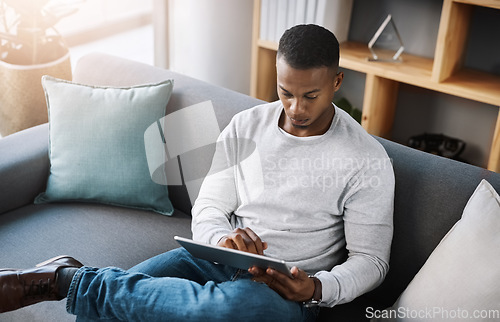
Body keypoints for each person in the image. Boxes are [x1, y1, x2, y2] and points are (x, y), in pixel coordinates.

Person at [0, 24, 394, 321]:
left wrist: (316, 288)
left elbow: (372, 261)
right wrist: (222, 239)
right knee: (112, 308)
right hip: (215, 260)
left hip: (285, 289)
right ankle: (78, 282)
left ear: (337, 82)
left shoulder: (365, 159)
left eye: (311, 96)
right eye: (285, 92)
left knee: (224, 311)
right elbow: (208, 205)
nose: (295, 109)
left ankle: (66, 279)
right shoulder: (246, 126)